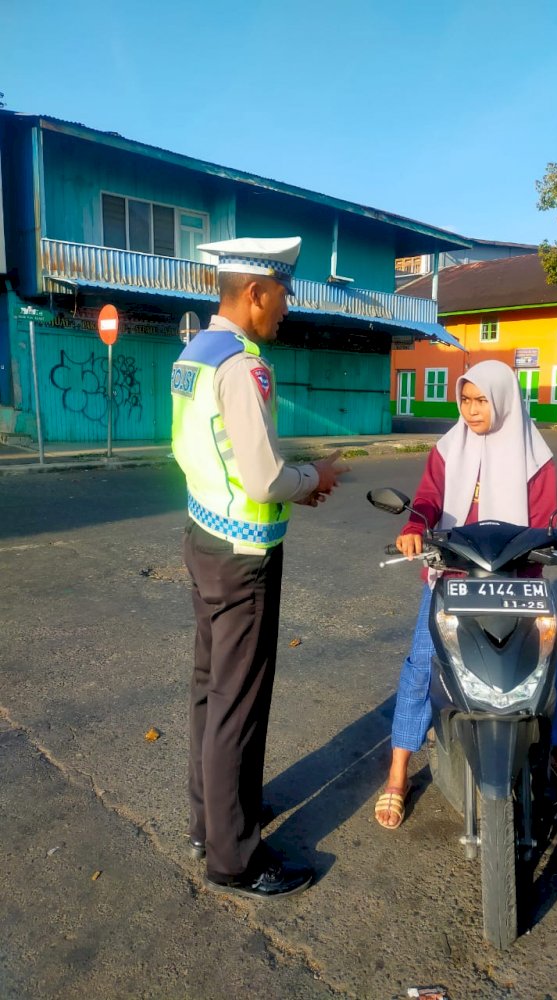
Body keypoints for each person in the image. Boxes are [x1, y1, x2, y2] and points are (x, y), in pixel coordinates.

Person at [171, 236, 348, 897]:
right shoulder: (244, 366)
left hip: (202, 537)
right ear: (256, 293)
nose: (287, 308)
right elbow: (265, 474)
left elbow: (206, 450)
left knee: (209, 692)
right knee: (237, 705)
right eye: (283, 294)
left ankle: (210, 822)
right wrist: (316, 476)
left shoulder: (192, 354)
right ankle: (235, 858)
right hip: (243, 554)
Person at [375, 360, 557, 829]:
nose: (472, 410)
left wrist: (544, 548)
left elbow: (543, 523)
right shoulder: (448, 447)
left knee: (555, 674)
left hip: (518, 581)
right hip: (452, 576)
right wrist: (416, 525)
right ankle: (397, 774)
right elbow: (430, 498)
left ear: (503, 401)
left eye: (481, 400)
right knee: (420, 667)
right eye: (465, 400)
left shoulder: (536, 457)